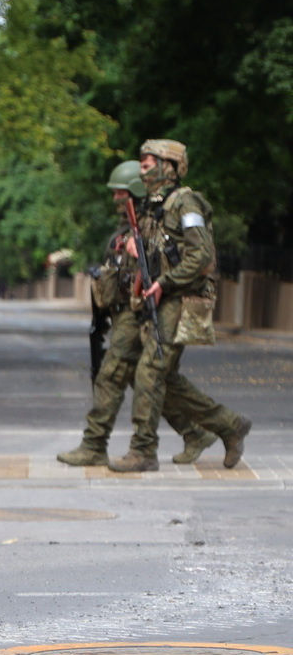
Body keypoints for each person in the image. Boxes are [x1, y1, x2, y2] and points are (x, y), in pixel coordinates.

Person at [57, 161, 216, 467]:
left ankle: (207, 429)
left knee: (152, 376)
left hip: (162, 302)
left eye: (121, 193)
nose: (116, 199)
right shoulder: (142, 216)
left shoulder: (178, 205)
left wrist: (156, 278)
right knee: (123, 375)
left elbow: (193, 256)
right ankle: (97, 443)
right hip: (134, 304)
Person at [110, 139, 251, 472]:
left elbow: (201, 255)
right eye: (142, 163)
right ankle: (228, 425)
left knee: (151, 370)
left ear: (169, 167)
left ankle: (143, 450)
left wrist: (165, 282)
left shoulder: (185, 203)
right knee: (162, 376)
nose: (142, 167)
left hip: (182, 297)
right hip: (160, 296)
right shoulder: (152, 206)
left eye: (149, 162)